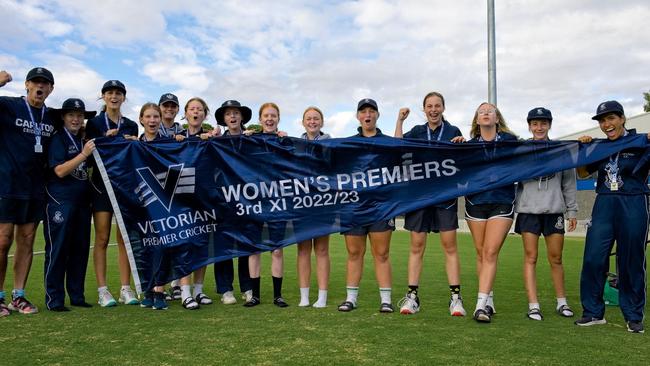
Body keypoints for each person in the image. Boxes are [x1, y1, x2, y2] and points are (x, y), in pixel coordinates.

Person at [575, 101, 649, 334]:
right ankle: (593, 313)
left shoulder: (641, 142)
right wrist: (583, 150)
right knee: (593, 258)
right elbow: (583, 172)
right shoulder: (600, 147)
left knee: (631, 260)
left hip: (634, 200)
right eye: (602, 121)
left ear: (622, 119)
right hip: (605, 202)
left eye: (611, 119)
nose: (607, 125)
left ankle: (634, 316)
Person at [393, 91, 466, 316]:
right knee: (416, 247)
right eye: (429, 106)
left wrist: (462, 145)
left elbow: (463, 161)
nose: (433, 110)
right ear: (424, 109)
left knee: (450, 247)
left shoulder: (453, 131)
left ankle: (456, 299)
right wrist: (400, 120)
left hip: (445, 197)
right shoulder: (416, 131)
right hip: (420, 197)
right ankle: (412, 297)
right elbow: (396, 147)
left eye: (437, 106)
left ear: (443, 108)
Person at [0, 67, 56, 316]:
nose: (39, 86)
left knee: (27, 240)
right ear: (26, 84)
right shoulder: (9, 106)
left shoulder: (52, 116)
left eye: (45, 83)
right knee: (2, 241)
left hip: (35, 188)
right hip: (7, 183)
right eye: (35, 82)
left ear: (51, 89)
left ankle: (18, 296)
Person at [515, 107, 577, 321]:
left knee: (556, 258)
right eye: (535, 124)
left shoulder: (560, 150)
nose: (539, 127)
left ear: (550, 125)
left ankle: (562, 302)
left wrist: (572, 210)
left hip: (554, 211)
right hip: (529, 212)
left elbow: (569, 183)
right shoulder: (521, 151)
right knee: (531, 257)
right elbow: (514, 180)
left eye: (543, 123)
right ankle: (533, 305)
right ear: (529, 126)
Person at [85, 80, 140, 307]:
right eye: (110, 93)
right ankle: (102, 290)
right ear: (103, 96)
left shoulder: (131, 125)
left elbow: (135, 156)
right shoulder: (95, 123)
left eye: (118, 93)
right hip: (101, 186)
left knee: (124, 239)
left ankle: (126, 288)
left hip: (123, 187)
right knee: (102, 237)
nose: (114, 97)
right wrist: (104, 139)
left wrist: (134, 143)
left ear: (124, 98)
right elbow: (87, 156)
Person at [338, 98, 395, 313]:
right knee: (354, 253)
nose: (367, 115)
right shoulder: (346, 144)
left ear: (378, 115)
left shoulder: (388, 143)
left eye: (372, 111)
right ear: (358, 116)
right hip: (353, 207)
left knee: (381, 254)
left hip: (381, 206)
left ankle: (386, 300)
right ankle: (350, 298)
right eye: (363, 111)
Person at [464, 102, 518, 323]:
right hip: (475, 202)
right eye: (481, 112)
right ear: (477, 120)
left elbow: (534, 152)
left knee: (490, 252)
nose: (486, 113)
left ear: (497, 118)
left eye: (490, 111)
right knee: (481, 253)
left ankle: (480, 305)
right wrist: (455, 146)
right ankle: (489, 298)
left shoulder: (510, 142)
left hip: (502, 201)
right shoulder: (467, 146)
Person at [43, 98, 96, 311]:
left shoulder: (81, 140)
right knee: (58, 250)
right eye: (71, 115)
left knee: (80, 250)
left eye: (79, 115)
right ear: (63, 117)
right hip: (60, 201)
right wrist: (84, 154)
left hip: (82, 202)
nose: (76, 119)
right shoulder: (59, 140)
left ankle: (76, 295)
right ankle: (54, 299)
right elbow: (60, 171)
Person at [243, 102, 289, 308]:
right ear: (260, 119)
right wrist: (243, 139)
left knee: (277, 250)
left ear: (278, 118)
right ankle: (255, 295)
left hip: (277, 203)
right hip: (253, 203)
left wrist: (286, 141)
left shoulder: (284, 141)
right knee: (254, 249)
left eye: (273, 115)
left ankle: (278, 295)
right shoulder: (250, 140)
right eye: (266, 116)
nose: (269, 119)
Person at [174, 97, 214, 310]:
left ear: (204, 114)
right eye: (192, 109)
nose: (195, 112)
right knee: (185, 245)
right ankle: (185, 292)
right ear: (186, 114)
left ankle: (198, 290)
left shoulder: (210, 139)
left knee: (202, 246)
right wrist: (175, 141)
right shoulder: (176, 138)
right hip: (182, 199)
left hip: (204, 198)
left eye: (199, 109)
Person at [212, 100, 253, 305]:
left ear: (242, 117)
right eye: (228, 114)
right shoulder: (215, 142)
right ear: (224, 119)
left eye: (236, 113)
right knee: (224, 245)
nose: (233, 117)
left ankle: (248, 287)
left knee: (246, 245)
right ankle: (225, 289)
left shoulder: (252, 140)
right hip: (223, 200)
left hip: (247, 200)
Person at [134, 102, 170, 310]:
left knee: (162, 247)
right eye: (148, 117)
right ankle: (147, 289)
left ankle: (159, 289)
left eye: (156, 117)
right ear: (141, 119)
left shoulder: (168, 144)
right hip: (140, 203)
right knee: (145, 247)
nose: (152, 120)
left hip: (162, 204)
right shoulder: (133, 145)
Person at [297, 106, 331, 308]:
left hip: (322, 204)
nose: (312, 122)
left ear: (322, 122)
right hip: (301, 204)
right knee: (303, 250)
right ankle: (304, 296)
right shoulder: (295, 145)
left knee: (322, 249)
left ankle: (322, 296)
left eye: (316, 118)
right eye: (308, 119)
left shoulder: (331, 143)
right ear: (303, 122)